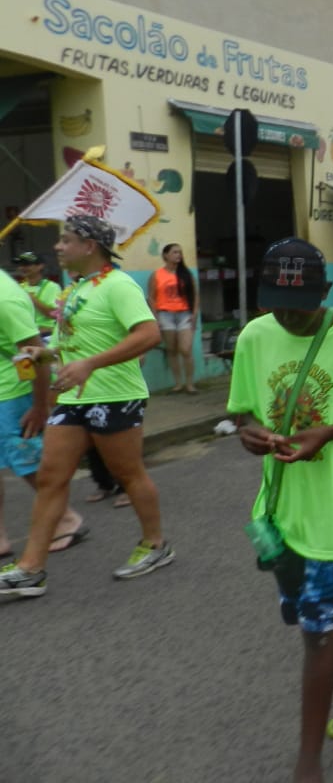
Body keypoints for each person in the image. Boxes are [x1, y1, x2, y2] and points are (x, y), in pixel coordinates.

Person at [228, 238, 333, 781]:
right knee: (320, 610)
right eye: (278, 305)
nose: (288, 316)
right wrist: (249, 434)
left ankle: (309, 761)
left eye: (300, 305)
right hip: (280, 506)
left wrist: (327, 431)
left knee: (318, 631)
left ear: (325, 291)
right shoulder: (254, 337)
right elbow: (243, 414)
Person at [0, 215, 169, 599]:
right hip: (73, 399)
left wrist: (91, 364)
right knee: (50, 478)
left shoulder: (119, 285)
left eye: (66, 240)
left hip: (114, 395)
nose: (57, 247)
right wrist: (44, 355)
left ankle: (156, 544)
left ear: (89, 246)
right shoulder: (74, 289)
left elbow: (149, 334)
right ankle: (31, 569)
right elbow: (69, 347)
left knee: (129, 474)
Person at [0, 268, 87, 562]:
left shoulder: (5, 298)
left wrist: (39, 407)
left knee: (27, 460)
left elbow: (38, 354)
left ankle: (66, 518)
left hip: (12, 392)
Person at [147, 243, 199, 394]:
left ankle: (190, 384)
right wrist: (155, 317)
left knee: (185, 349)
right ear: (166, 255)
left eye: (180, 252)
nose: (178, 255)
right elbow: (151, 297)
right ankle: (178, 384)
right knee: (171, 350)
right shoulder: (157, 275)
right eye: (175, 252)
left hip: (184, 314)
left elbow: (195, 295)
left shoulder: (186, 274)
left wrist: (194, 314)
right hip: (165, 315)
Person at [15, 251, 58, 339]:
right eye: (20, 265)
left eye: (26, 264)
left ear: (40, 266)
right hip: (23, 334)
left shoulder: (52, 287)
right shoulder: (18, 287)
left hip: (46, 335)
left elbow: (54, 315)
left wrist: (32, 299)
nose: (22, 268)